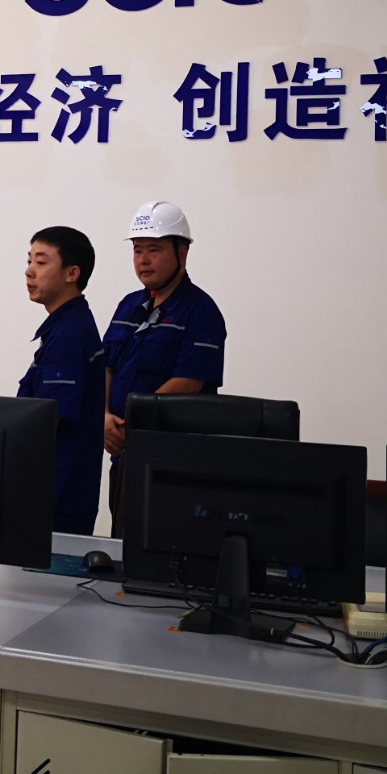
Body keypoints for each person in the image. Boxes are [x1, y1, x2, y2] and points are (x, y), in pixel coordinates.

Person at [101, 200, 226, 536]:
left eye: (154, 250)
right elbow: (105, 366)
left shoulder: (201, 311)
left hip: (173, 465)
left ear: (182, 253)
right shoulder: (128, 305)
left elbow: (188, 381)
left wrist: (131, 421)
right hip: (124, 458)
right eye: (137, 250)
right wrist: (104, 417)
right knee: (123, 546)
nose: (143, 260)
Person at [18, 226, 104, 535]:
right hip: (57, 497)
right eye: (29, 261)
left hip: (56, 502)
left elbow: (46, 420)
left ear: (72, 273)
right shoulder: (65, 327)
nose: (29, 271)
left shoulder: (69, 335)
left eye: (41, 262)